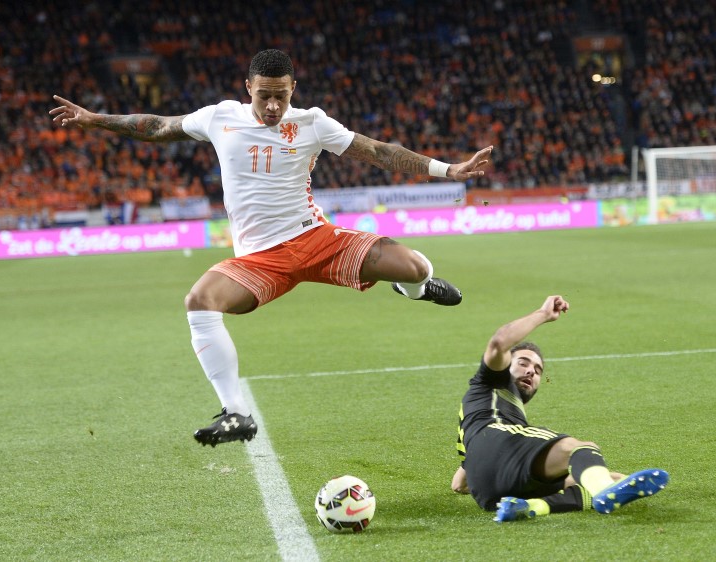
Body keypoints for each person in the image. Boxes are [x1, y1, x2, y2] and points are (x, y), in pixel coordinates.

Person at [50, 49, 493, 447]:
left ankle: (412, 290)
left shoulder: (312, 122)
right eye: (264, 95)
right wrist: (95, 119)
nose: (273, 106)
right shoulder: (219, 116)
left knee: (415, 267)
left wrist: (448, 170)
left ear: (293, 89)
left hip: (316, 239)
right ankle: (236, 414)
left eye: (281, 95)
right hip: (261, 259)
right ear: (248, 89)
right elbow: (158, 126)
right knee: (200, 301)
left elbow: (377, 151)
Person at [452, 295, 668, 521]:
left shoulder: (486, 412)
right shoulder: (490, 382)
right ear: (506, 364)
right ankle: (603, 488)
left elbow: (459, 484)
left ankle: (532, 506)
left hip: (488, 492)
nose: (531, 371)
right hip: (501, 448)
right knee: (579, 449)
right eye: (523, 362)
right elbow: (499, 342)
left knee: (597, 478)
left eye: (537, 370)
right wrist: (543, 314)